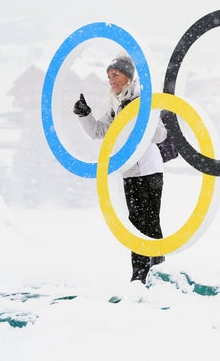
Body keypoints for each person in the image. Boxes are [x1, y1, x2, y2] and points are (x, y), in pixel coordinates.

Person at [72, 53, 168, 284]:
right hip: (129, 173)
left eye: (115, 74)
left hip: (149, 171)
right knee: (139, 223)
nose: (111, 80)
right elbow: (98, 131)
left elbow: (160, 135)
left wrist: (139, 114)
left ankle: (141, 275)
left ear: (128, 77)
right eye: (108, 76)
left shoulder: (143, 101)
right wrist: (85, 114)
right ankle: (152, 270)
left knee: (146, 223)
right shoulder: (116, 106)